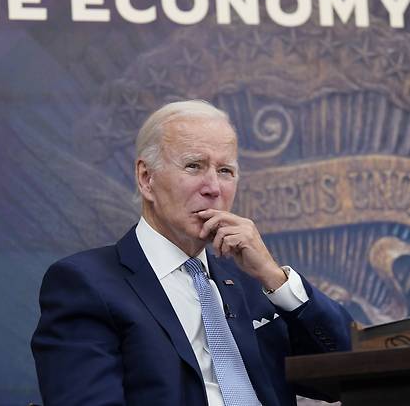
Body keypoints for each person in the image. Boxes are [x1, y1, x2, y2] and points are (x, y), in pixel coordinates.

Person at [31, 100, 353, 406]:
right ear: (146, 178)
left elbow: (347, 374)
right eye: (194, 166)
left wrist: (275, 277)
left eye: (225, 171)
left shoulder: (255, 284)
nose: (213, 187)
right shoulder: (87, 284)